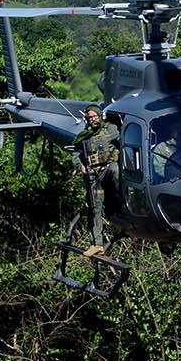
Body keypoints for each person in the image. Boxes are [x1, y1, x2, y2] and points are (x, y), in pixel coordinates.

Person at [72, 104, 119, 256]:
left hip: (109, 170)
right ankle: (96, 244)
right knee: (94, 207)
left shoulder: (111, 129)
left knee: (115, 170)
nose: (93, 119)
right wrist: (80, 165)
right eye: (90, 117)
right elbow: (76, 154)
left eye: (94, 116)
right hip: (95, 175)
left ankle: (123, 202)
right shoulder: (84, 137)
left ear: (100, 116)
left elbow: (124, 135)